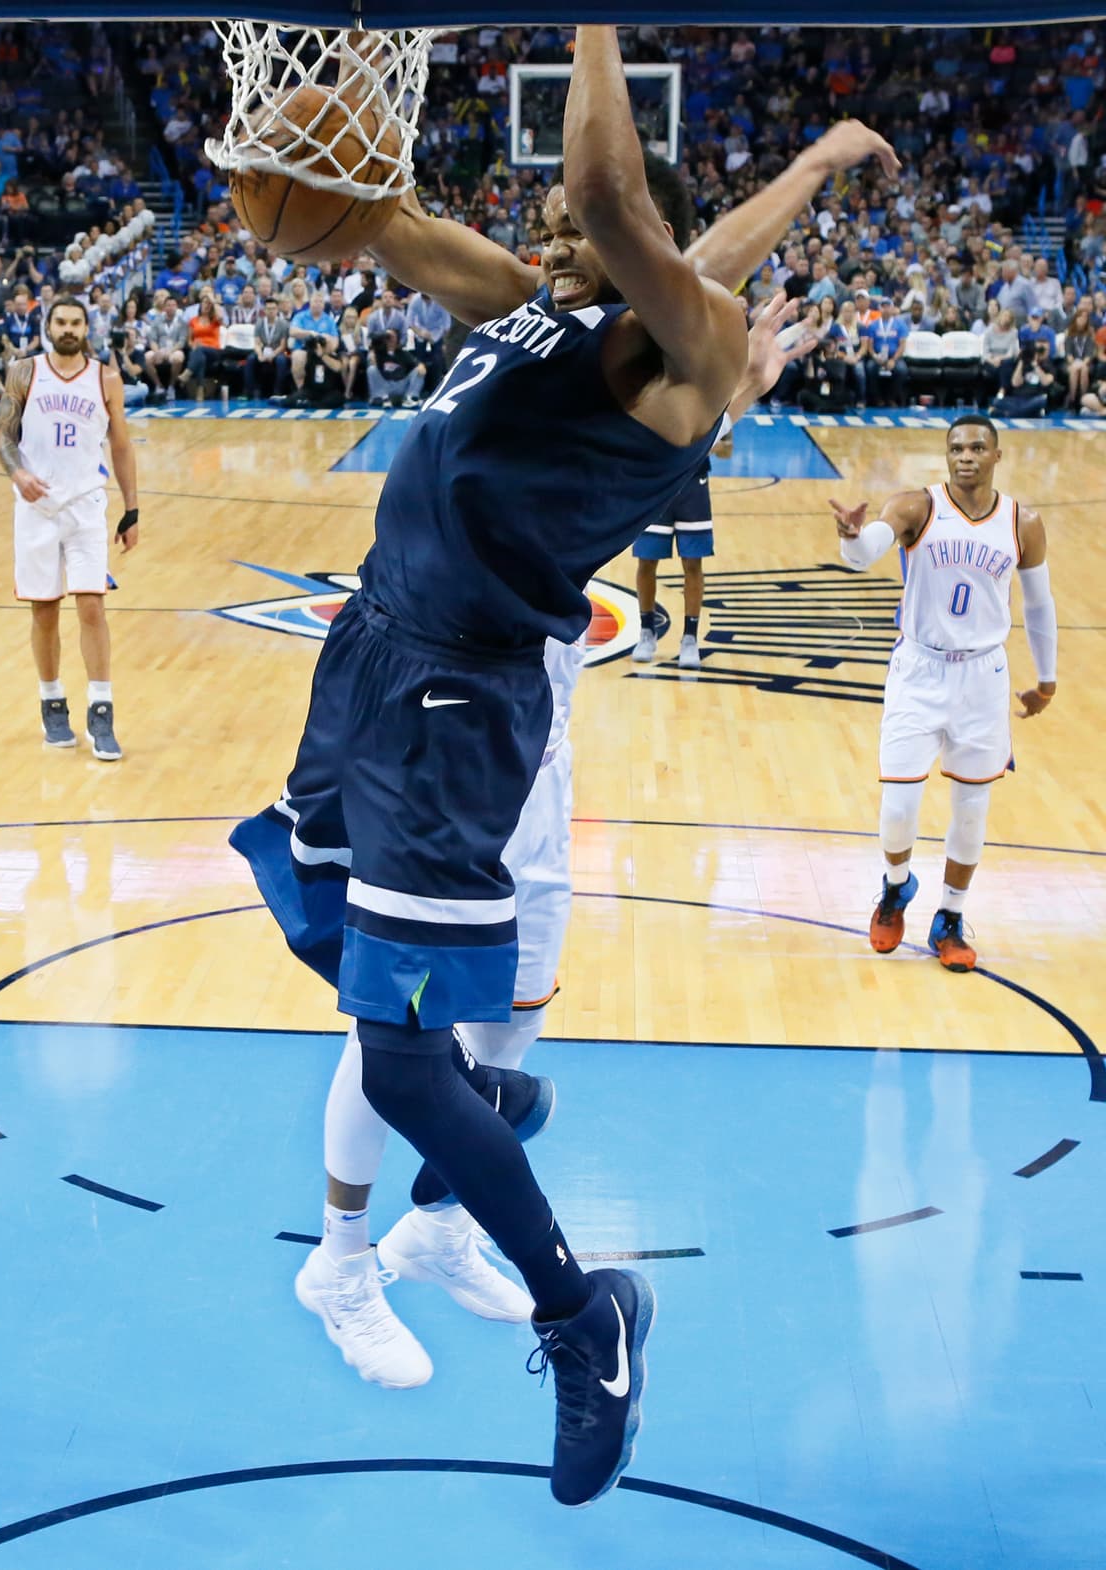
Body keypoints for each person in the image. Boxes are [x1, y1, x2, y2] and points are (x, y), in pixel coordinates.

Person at [229, 22, 895, 1510]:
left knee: (396, 1055)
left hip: (456, 705)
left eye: (569, 223)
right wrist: (303, 180)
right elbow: (399, 231)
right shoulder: (540, 307)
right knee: (330, 935)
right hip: (372, 653)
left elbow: (616, 199)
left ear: (642, 248)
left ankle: (581, 1314)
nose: (543, 226)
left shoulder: (688, 356)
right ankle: (480, 1102)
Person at [305, 297, 808, 1389]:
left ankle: (437, 1231)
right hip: (447, 740)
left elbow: (652, 438)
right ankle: (340, 1260)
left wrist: (730, 384)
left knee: (511, 1027)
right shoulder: (508, 418)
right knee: (400, 1029)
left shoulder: (615, 432)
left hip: (535, 764)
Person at [829, 415, 1057, 972]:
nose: (966, 456)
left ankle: (950, 917)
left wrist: (1046, 679)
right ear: (946, 455)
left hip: (983, 675)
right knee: (899, 806)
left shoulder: (1022, 523)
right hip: (919, 669)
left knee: (972, 810)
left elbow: (1039, 603)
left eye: (977, 447)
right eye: (956, 448)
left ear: (997, 456)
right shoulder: (916, 507)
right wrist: (852, 537)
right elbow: (866, 553)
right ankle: (896, 887)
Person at [0, 295, 139, 760]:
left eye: (76, 322)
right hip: (36, 507)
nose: (68, 329)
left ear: (86, 328)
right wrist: (17, 472)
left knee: (92, 606)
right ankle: (52, 701)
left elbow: (121, 447)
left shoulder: (106, 378)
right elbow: (4, 437)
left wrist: (132, 509)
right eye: (61, 322)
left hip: (85, 507)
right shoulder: (24, 372)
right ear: (48, 326)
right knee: (44, 610)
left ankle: (101, 709)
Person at [632, 427, 734, 667]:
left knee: (692, 562)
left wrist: (699, 447)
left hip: (693, 484)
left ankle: (690, 638)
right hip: (657, 482)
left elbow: (727, 450)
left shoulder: (711, 406)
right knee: (646, 560)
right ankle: (647, 631)